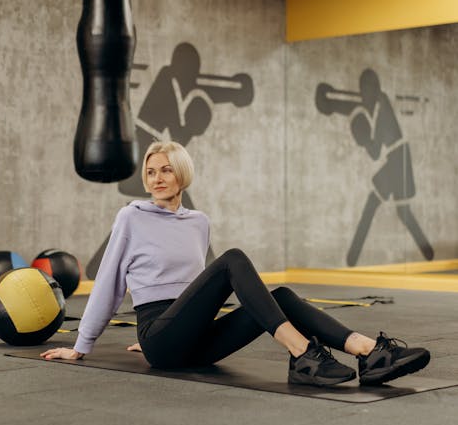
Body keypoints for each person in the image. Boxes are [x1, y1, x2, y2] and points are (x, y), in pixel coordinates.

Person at [41, 141, 431, 387]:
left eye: (165, 169)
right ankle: (301, 353)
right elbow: (109, 281)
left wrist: (180, 320)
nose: (156, 177)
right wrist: (81, 346)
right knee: (233, 261)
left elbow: (195, 287)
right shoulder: (131, 217)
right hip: (161, 339)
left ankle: (368, 353)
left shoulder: (199, 222)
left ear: (182, 174)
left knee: (282, 295)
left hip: (191, 336)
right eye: (150, 171)